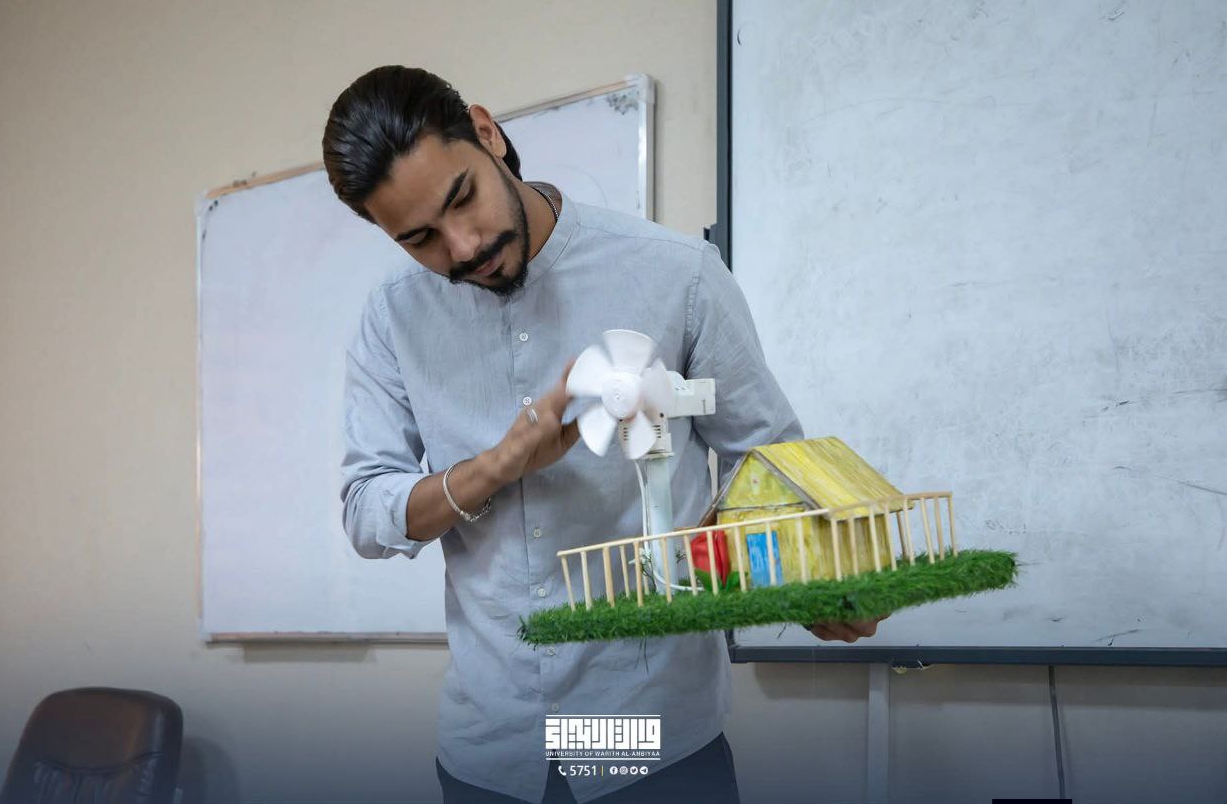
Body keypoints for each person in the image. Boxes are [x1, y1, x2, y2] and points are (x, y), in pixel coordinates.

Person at [322, 65, 885, 804]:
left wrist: (819, 575)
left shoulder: (676, 274)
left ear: (487, 133)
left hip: (648, 742)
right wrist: (497, 465)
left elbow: (771, 460)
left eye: (462, 198)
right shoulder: (393, 317)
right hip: (490, 751)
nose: (462, 247)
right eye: (420, 238)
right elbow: (367, 509)